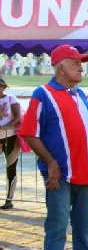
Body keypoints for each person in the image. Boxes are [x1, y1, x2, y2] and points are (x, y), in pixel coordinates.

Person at [18, 44, 88, 250]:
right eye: (75, 63)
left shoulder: (79, 93)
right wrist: (50, 162)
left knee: (83, 227)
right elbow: (29, 133)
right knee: (58, 227)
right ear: (60, 67)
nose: (81, 68)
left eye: (80, 64)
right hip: (60, 176)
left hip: (86, 173)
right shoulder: (43, 94)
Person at [0, 75, 20, 209]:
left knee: (10, 168)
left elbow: (18, 117)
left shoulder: (11, 98)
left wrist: (6, 127)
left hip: (11, 137)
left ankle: (9, 199)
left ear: (3, 87)